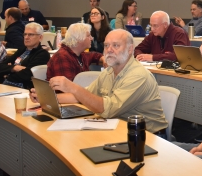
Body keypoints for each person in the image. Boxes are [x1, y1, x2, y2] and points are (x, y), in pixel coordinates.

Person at [30, 29, 168, 135]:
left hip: (147, 136)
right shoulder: (109, 72)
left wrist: (72, 87)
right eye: (107, 45)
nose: (109, 50)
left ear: (130, 49)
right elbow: (82, 97)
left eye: (116, 45)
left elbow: (107, 110)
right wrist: (46, 98)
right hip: (120, 127)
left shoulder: (138, 75)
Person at [0, 23, 50, 89]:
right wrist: (15, 68)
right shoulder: (21, 50)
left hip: (23, 89)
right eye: (25, 34)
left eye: (31, 34)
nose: (26, 37)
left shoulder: (42, 54)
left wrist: (7, 74)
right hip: (6, 86)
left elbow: (27, 75)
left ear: (40, 37)